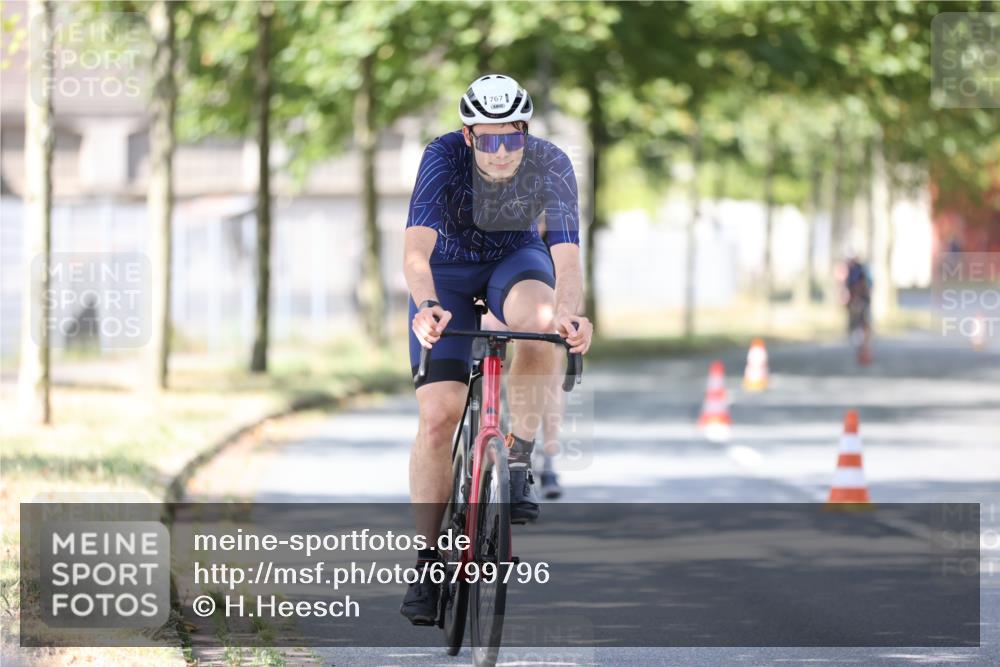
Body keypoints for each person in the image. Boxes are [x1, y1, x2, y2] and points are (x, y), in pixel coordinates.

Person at [400, 74, 593, 624]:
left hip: (516, 262)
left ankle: (515, 457)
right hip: (448, 276)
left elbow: (567, 257)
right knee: (438, 419)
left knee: (541, 323)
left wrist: (571, 315)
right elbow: (416, 252)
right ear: (468, 137)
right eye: (488, 139)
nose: (502, 151)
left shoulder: (551, 162)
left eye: (512, 137)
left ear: (525, 132)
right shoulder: (440, 157)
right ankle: (428, 560)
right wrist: (426, 305)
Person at [844, 255, 873, 364]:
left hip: (861, 299)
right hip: (858, 299)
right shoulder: (853, 270)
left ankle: (864, 349)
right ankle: (861, 346)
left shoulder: (857, 271)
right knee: (858, 323)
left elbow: (857, 285)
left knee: (862, 322)